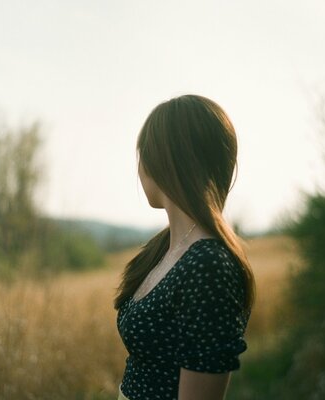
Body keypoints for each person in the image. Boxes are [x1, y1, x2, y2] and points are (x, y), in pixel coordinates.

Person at [114, 94, 255, 400]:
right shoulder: (162, 249)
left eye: (142, 156)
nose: (138, 170)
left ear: (165, 161)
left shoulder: (208, 266)